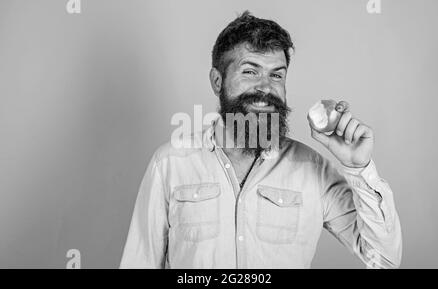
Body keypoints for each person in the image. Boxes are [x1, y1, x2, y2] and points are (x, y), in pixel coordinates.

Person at [120, 11, 402, 269]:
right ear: (217, 81)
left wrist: (358, 167)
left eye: (276, 75)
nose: (265, 88)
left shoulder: (312, 169)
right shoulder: (170, 163)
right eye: (250, 71)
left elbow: (385, 258)